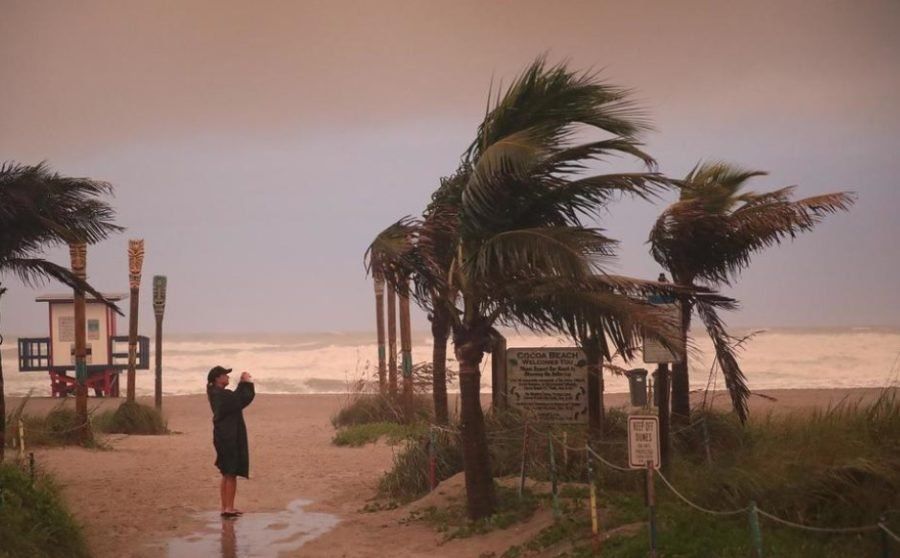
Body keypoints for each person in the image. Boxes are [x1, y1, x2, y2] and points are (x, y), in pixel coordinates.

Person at [206, 365, 255, 517]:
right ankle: (228, 508)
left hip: (224, 434)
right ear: (217, 378)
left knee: (227, 472)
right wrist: (246, 383)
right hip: (227, 436)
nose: (227, 377)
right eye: (225, 375)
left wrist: (242, 384)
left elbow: (235, 398)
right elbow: (240, 399)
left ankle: (225, 506)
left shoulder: (217, 393)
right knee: (230, 472)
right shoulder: (219, 394)